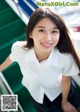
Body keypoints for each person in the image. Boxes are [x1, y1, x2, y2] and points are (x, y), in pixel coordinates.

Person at [0, 8, 80, 112]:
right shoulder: (19, 49)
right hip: (36, 94)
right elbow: (11, 58)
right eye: (42, 30)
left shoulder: (64, 57)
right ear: (30, 33)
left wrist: (64, 102)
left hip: (60, 92)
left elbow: (66, 81)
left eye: (54, 31)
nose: (48, 38)